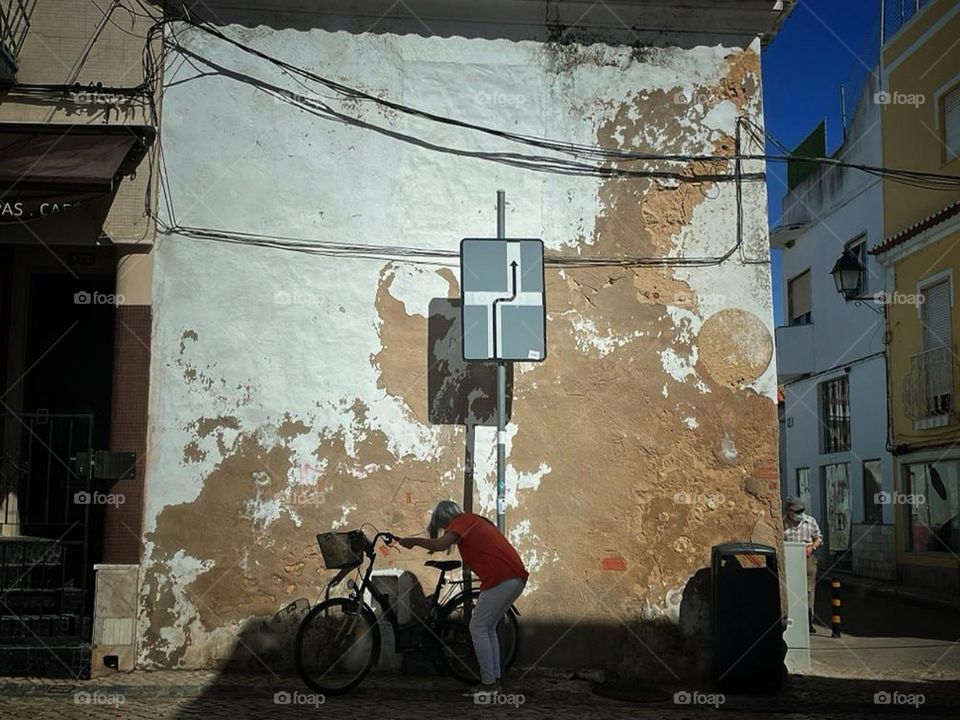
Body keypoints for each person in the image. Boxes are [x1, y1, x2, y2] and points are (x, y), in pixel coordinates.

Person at [392, 500, 528, 699]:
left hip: (501, 578)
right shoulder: (473, 520)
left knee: (478, 628)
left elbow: (440, 545)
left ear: (444, 519)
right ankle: (495, 682)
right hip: (514, 577)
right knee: (487, 628)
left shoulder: (461, 522)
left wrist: (413, 542)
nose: (446, 530)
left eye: (443, 526)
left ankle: (489, 685)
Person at [783, 496, 823, 633]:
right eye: (796, 511)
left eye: (802, 510)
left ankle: (808, 622)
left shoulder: (809, 521)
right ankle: (792, 618)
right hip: (789, 559)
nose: (800, 513)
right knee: (791, 589)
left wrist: (813, 547)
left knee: (809, 591)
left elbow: (818, 539)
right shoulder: (782, 524)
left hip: (807, 558)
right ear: (789, 511)